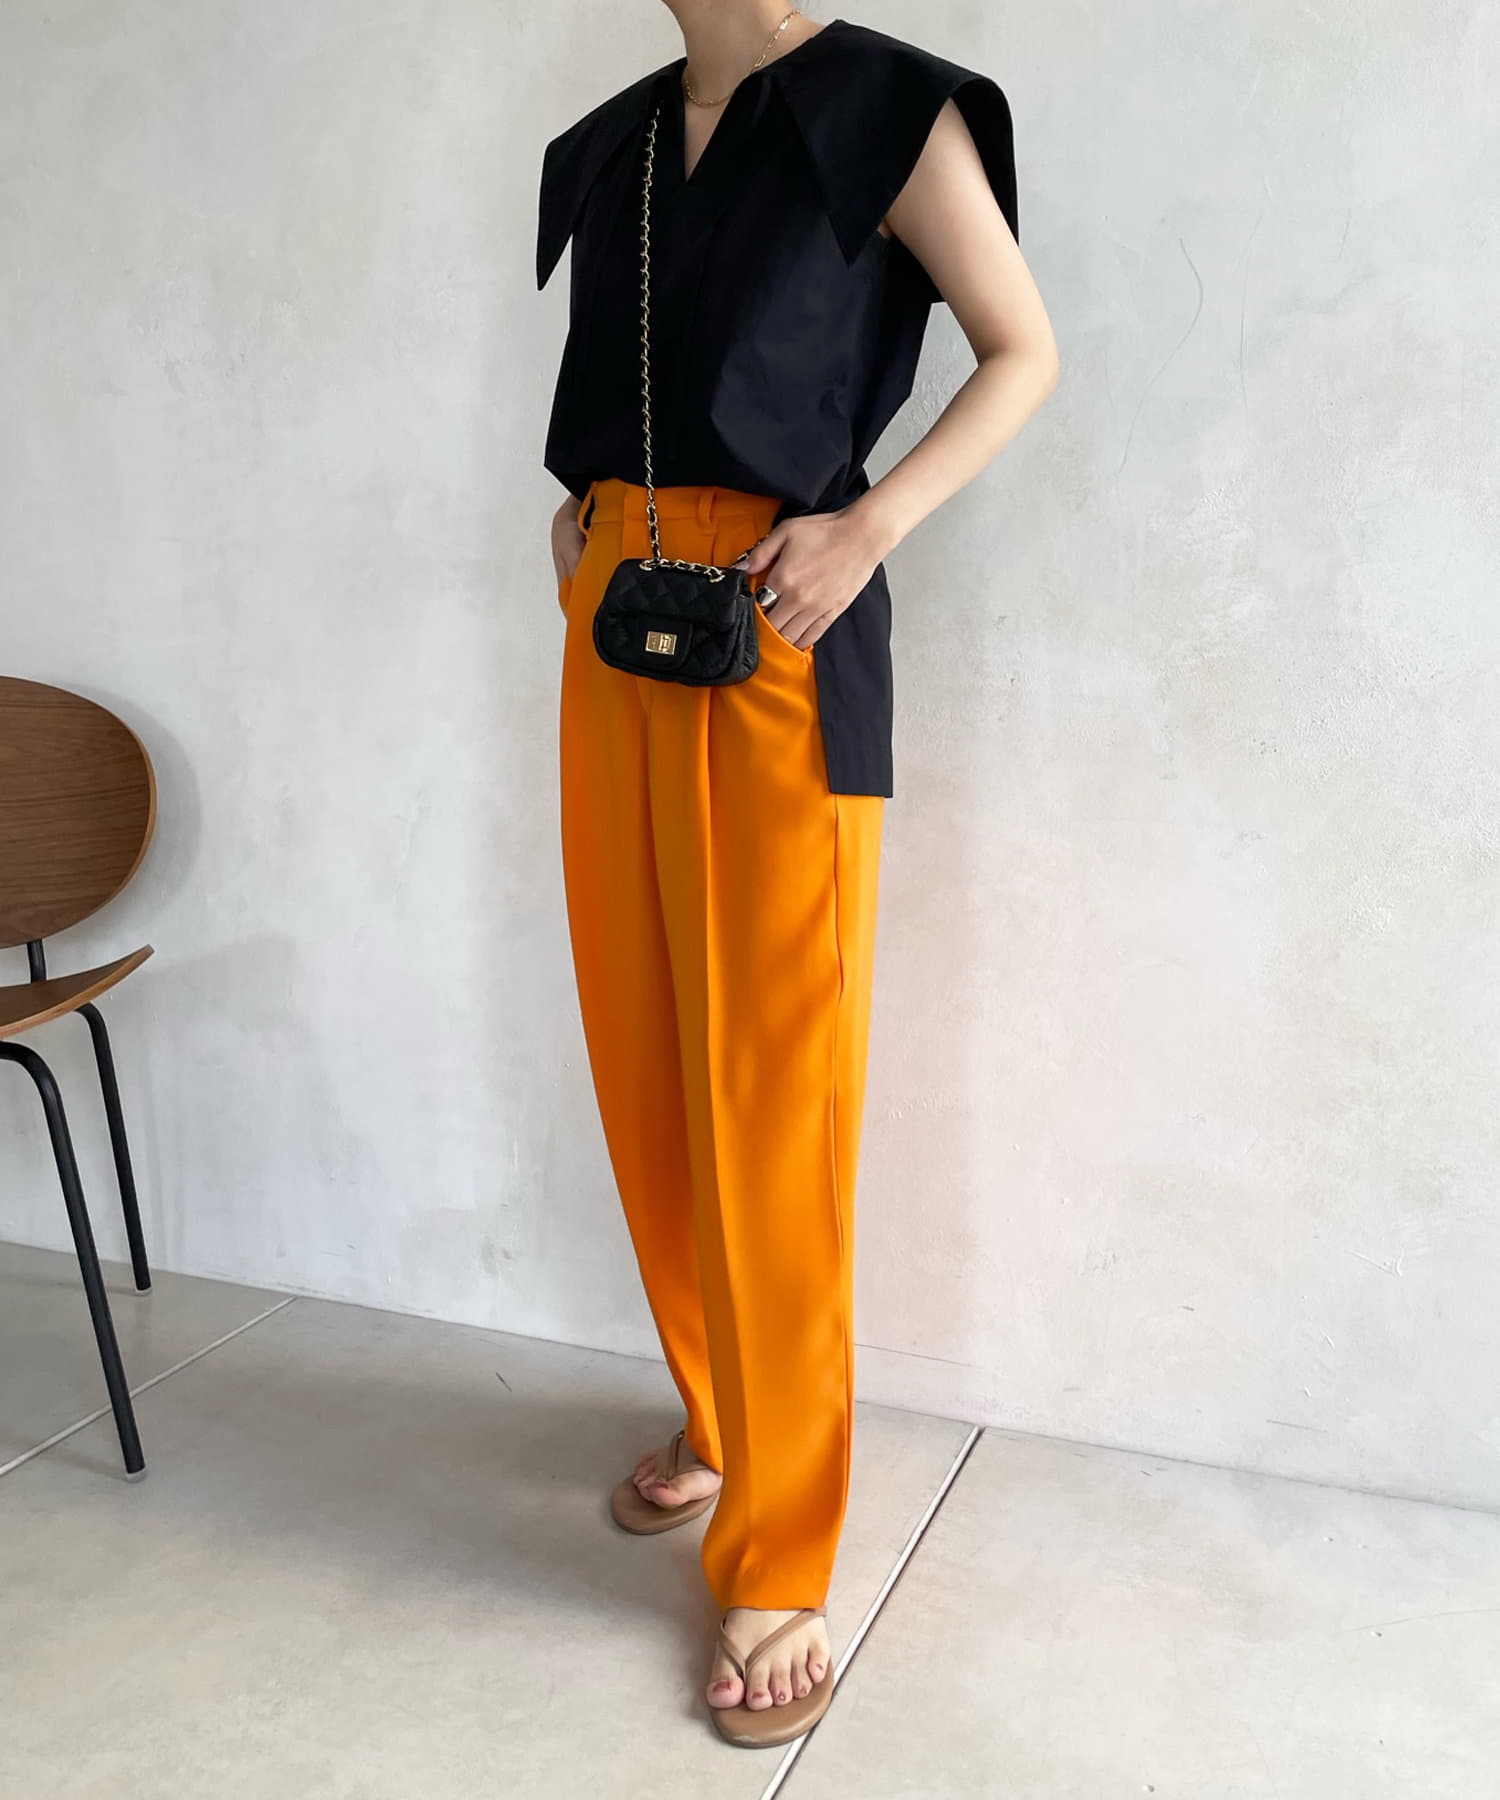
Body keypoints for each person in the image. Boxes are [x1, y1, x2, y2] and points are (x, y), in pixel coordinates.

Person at [536, 3, 1057, 1748]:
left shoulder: (887, 107)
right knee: (645, 1060)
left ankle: (785, 1550)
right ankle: (720, 1411)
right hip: (616, 625)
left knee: (775, 1088)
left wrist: (870, 525)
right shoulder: (622, 135)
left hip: (777, 631)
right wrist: (582, 515)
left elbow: (1023, 350)